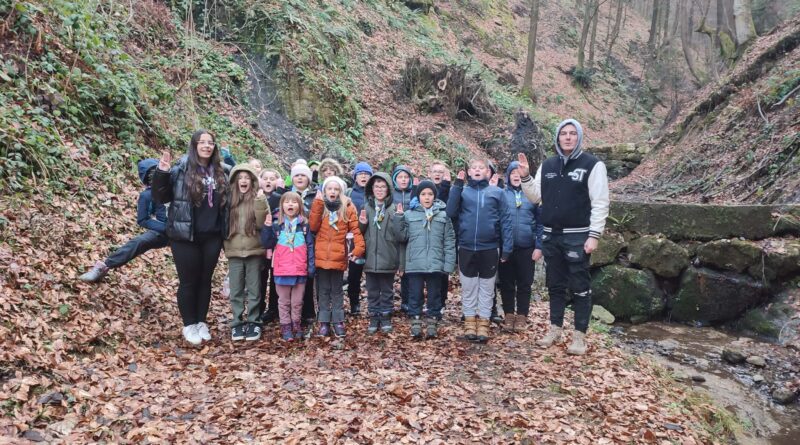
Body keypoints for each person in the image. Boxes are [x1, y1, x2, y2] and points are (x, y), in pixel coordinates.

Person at [517, 118, 610, 355]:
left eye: (572, 133)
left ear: (579, 137)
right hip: (551, 236)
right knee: (555, 285)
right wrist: (526, 177)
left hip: (578, 236)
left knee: (580, 286)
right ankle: (555, 329)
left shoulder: (592, 165)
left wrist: (594, 235)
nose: (568, 137)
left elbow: (600, 202)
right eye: (563, 133)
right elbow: (536, 197)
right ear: (557, 138)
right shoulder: (548, 165)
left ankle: (579, 336)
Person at [152, 130, 230, 346]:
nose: (206, 146)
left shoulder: (222, 171)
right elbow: (160, 196)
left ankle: (201, 321)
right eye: (202, 142)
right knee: (188, 281)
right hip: (185, 234)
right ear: (194, 145)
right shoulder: (181, 168)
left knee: (205, 280)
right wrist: (162, 173)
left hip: (212, 235)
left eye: (210, 143)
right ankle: (189, 324)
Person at [446, 158, 513, 343]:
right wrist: (457, 185)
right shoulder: (462, 191)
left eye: (481, 167)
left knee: (487, 287)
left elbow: (506, 221)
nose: (477, 170)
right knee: (468, 287)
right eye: (473, 168)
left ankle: (483, 322)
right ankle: (469, 321)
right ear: (469, 172)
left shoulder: (497, 192)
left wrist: (507, 248)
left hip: (490, 247)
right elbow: (450, 212)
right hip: (466, 246)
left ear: (487, 172)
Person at [79, 159, 169, 282]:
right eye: (151, 174)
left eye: (157, 171)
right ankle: (104, 266)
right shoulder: (147, 195)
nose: (156, 176)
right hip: (165, 231)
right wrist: (166, 228)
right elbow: (143, 219)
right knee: (139, 242)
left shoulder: (177, 185)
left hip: (189, 229)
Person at [392, 180, 456, 339]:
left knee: (435, 294)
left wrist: (448, 265)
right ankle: (415, 320)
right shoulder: (409, 214)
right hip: (415, 263)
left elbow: (449, 241)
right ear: (418, 196)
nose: (427, 197)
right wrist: (399, 218)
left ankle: (433, 320)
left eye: (430, 194)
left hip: (436, 264)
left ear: (435, 196)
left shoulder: (443, 215)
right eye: (423, 194)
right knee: (415, 294)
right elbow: (401, 238)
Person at [308, 176, 365, 338]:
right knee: (323, 290)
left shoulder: (347, 207)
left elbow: (356, 230)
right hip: (321, 256)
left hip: (338, 256)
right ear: (324, 191)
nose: (333, 192)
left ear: (341, 191)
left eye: (336, 189)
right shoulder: (320, 206)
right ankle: (324, 321)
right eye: (329, 189)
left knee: (337, 290)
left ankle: (338, 320)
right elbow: (313, 226)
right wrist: (318, 204)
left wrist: (359, 248)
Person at [261, 192, 315, 341]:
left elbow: (310, 246)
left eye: (294, 202)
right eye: (287, 202)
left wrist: (311, 266)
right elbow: (267, 243)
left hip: (299, 270)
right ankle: (285, 326)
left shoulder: (304, 226)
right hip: (282, 270)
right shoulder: (276, 225)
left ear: (300, 206)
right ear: (282, 206)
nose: (290, 204)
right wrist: (266, 228)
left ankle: (296, 324)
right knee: (284, 301)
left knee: (297, 302)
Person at [224, 164, 269, 342]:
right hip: (234, 251)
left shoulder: (258, 198)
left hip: (254, 250)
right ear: (235, 181)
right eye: (240, 178)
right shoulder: (228, 200)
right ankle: (237, 322)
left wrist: (260, 201)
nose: (243, 181)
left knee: (254, 290)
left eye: (247, 178)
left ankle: (254, 321)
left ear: (252, 181)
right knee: (236, 290)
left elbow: (261, 224)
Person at [499, 161, 543, 332]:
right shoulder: (502, 195)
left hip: (527, 247)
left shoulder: (533, 196)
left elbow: (540, 223)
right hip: (506, 248)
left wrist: (539, 246)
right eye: (512, 173)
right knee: (507, 283)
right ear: (508, 176)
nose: (516, 176)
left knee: (525, 283)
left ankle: (522, 316)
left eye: (519, 173)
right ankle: (509, 314)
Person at [358, 172, 399, 335]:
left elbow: (399, 234)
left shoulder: (393, 209)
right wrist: (362, 224)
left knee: (387, 290)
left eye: (383, 187)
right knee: (372, 290)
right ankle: (374, 317)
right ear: (371, 189)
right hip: (370, 257)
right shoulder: (366, 208)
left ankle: (386, 316)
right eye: (377, 187)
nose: (380, 190)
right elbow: (360, 233)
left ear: (388, 189)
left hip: (388, 256)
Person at [345, 162, 373, 316]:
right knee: (354, 274)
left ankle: (374, 304)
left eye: (366, 174)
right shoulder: (348, 194)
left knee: (373, 273)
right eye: (360, 174)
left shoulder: (375, 193)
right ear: (355, 177)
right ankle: (354, 303)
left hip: (372, 238)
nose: (363, 176)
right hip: (354, 240)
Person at [257, 168, 284, 323]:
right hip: (259, 244)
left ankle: (274, 308)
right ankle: (259, 308)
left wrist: (279, 191)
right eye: (265, 178)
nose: (268, 181)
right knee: (260, 278)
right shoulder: (255, 196)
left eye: (272, 179)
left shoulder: (281, 197)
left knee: (275, 278)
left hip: (277, 245)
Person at [391, 165, 415, 314]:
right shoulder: (391, 194)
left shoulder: (414, 193)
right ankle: (389, 302)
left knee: (407, 270)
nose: (403, 180)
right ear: (395, 179)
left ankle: (407, 302)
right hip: (393, 236)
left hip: (410, 236)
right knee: (392, 268)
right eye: (400, 177)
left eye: (406, 177)